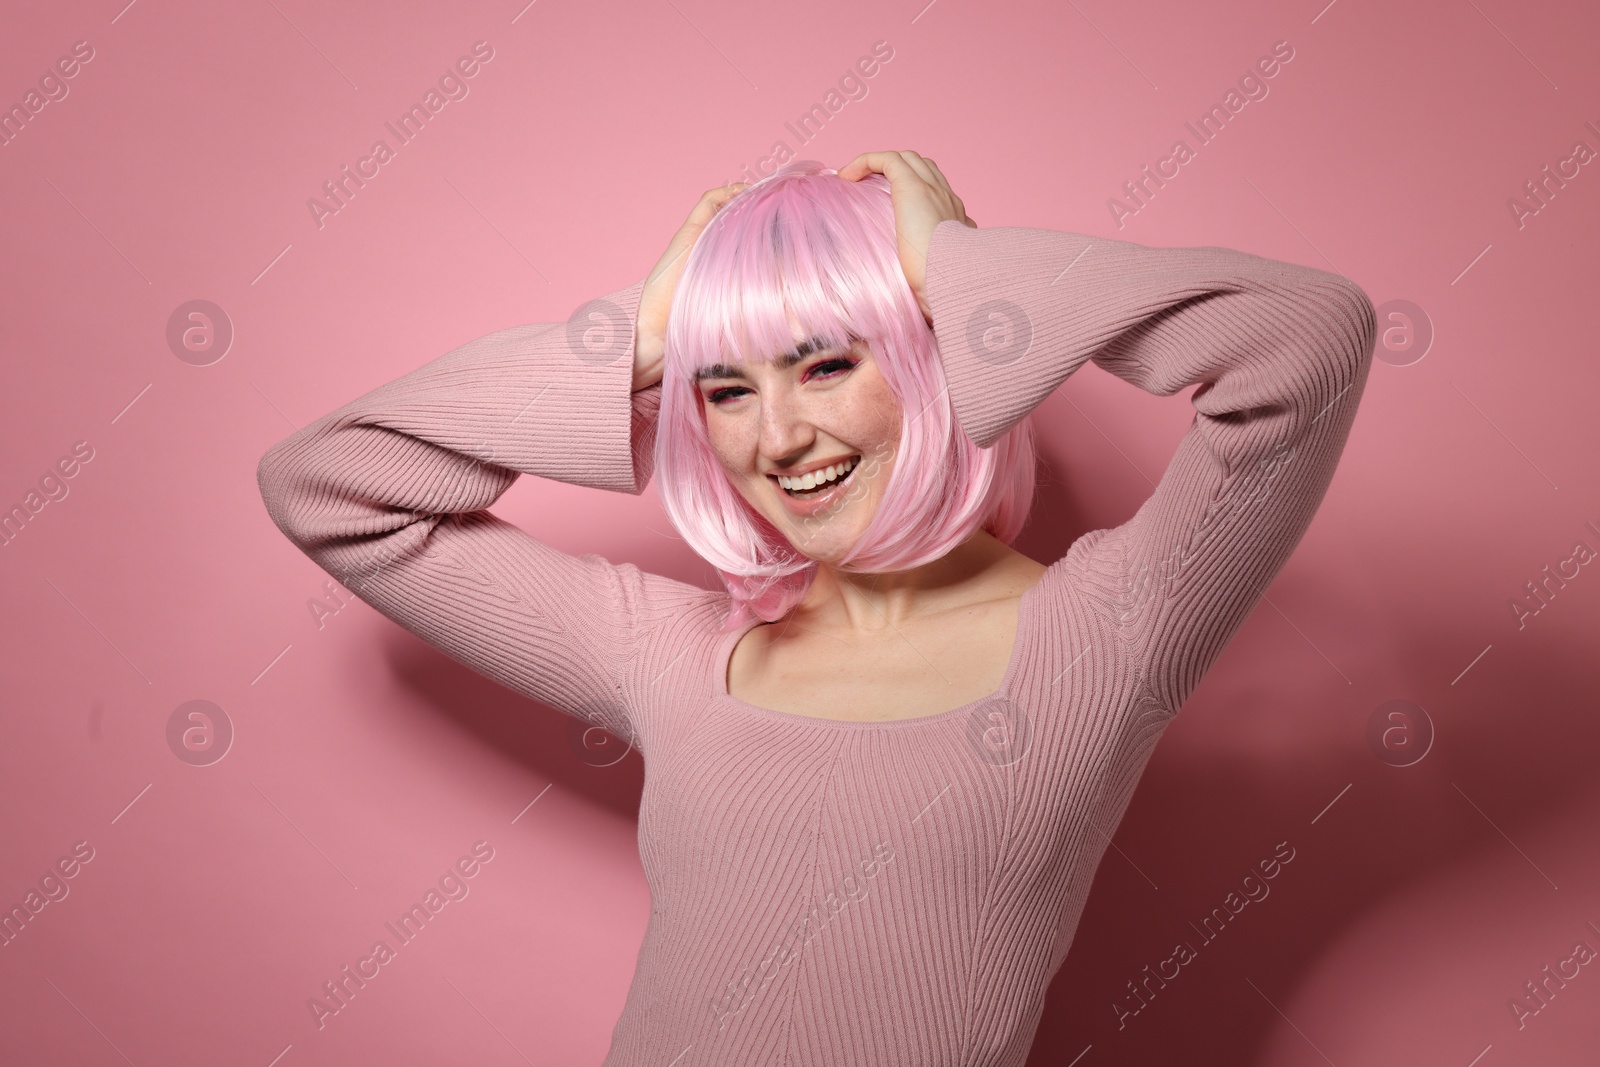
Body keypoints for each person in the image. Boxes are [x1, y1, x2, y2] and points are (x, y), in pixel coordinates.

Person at [257, 149, 1376, 1064]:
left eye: (827, 364)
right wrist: (641, 341)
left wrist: (952, 268)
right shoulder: (669, 652)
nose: (773, 437)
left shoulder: (1106, 631)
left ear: (931, 350)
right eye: (726, 388)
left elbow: (1306, 339)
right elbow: (328, 485)